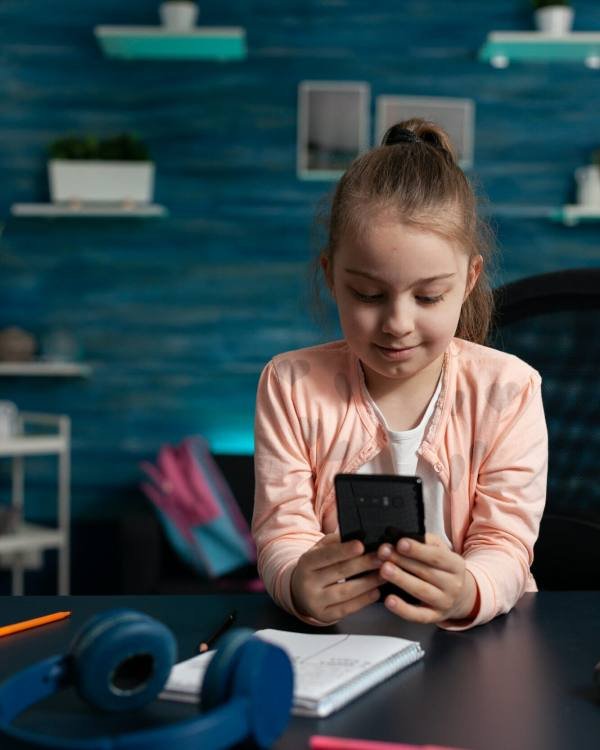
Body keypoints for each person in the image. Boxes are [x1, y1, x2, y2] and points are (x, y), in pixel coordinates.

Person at [252, 118, 548, 630]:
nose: (397, 324)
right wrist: (297, 582)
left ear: (470, 280)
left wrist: (468, 590)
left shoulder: (510, 390)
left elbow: (506, 544)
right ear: (331, 277)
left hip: (478, 647)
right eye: (368, 295)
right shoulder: (290, 385)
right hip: (342, 645)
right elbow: (283, 532)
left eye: (429, 297)